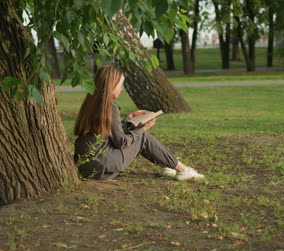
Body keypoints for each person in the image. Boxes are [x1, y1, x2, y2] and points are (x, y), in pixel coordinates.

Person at [73, 65, 205, 181]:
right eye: (120, 85)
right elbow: (121, 142)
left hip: (86, 167)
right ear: (111, 85)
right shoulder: (110, 106)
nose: (122, 89)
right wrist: (143, 129)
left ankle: (168, 166)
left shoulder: (91, 102)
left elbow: (109, 131)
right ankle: (182, 170)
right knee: (142, 137)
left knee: (140, 135)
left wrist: (129, 118)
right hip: (102, 170)